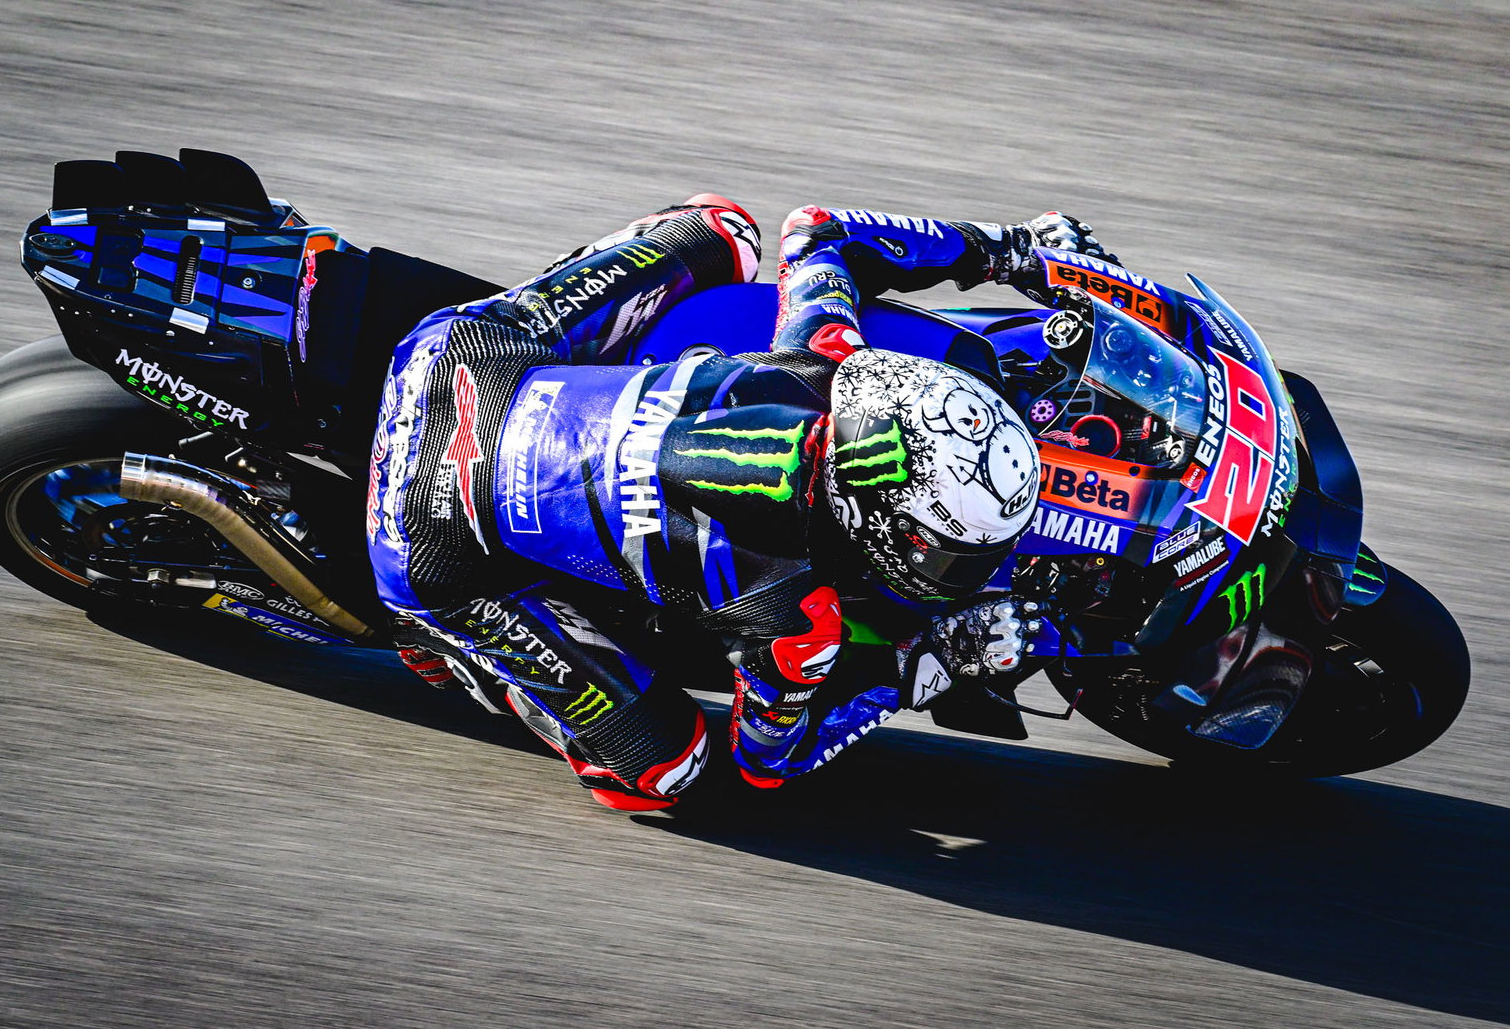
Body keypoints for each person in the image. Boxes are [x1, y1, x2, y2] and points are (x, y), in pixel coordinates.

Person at [365, 195, 1118, 810]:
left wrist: (1013, 249)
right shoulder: (796, 612)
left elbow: (818, 230)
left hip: (457, 356)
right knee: (664, 773)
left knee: (723, 228)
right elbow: (766, 759)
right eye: (947, 551)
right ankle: (452, 650)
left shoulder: (823, 356)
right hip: (430, 540)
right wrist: (932, 658)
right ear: (872, 520)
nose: (961, 566)